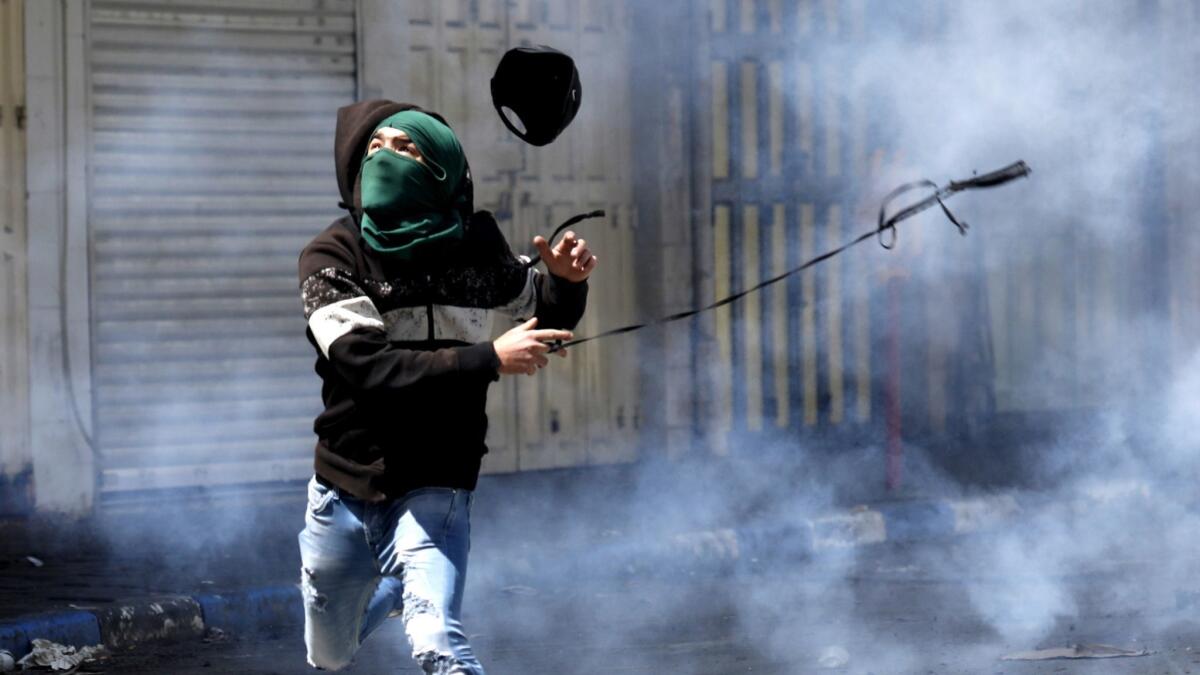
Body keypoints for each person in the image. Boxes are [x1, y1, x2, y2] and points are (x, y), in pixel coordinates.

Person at [296, 99, 596, 674]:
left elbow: (542, 316)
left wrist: (564, 283)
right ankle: (390, 594)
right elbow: (369, 369)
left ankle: (410, 594)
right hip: (344, 488)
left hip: (438, 483)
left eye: (405, 148)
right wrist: (488, 358)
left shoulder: (476, 249)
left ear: (443, 170)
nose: (385, 157)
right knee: (328, 654)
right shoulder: (332, 256)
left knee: (438, 639)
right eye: (375, 148)